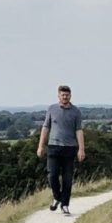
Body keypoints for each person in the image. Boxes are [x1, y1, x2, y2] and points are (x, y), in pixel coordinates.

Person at [37, 85, 85, 214]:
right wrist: (40, 146)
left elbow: (79, 130)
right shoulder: (52, 109)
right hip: (53, 147)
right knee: (52, 175)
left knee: (67, 178)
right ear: (58, 96)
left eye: (67, 95)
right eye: (63, 95)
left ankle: (65, 204)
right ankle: (57, 197)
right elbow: (45, 127)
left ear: (70, 96)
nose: (65, 97)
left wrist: (81, 149)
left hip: (70, 148)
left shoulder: (76, 111)